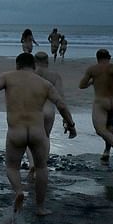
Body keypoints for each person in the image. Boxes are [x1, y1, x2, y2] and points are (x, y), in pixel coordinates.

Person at [0, 53, 76, 216]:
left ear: (17, 65)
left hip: (16, 131)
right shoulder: (44, 84)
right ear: (33, 66)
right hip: (37, 132)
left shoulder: (7, 77)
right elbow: (61, 104)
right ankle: (40, 208)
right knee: (41, 167)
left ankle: (19, 191)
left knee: (12, 167)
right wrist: (71, 125)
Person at [26, 52, 67, 180]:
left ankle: (32, 164)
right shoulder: (55, 76)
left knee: (29, 139)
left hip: (34, 109)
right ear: (47, 61)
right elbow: (60, 97)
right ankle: (41, 165)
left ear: (34, 61)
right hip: (49, 110)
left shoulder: (30, 75)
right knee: (46, 137)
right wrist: (65, 117)